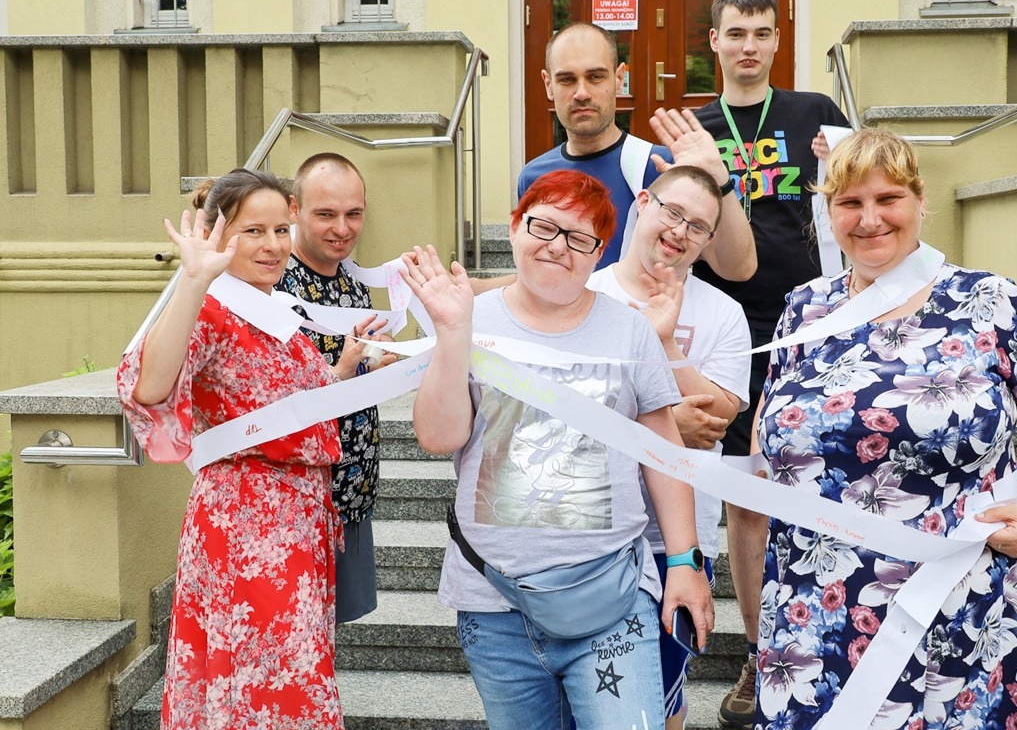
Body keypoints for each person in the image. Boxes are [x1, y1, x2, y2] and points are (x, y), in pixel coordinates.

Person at [752, 128, 1017, 729]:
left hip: (952, 601)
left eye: (887, 199)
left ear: (918, 201)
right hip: (813, 603)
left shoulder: (992, 302)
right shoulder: (804, 309)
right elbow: (773, 425)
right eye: (850, 203)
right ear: (827, 211)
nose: (869, 219)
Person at [401, 169, 715, 730]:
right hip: (494, 601)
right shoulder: (469, 320)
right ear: (516, 229)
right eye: (544, 226)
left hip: (614, 598)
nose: (557, 247)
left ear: (599, 253)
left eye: (580, 238)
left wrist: (684, 561)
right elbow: (438, 437)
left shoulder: (630, 331)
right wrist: (451, 335)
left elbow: (662, 450)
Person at [117, 168, 382, 729]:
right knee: (263, 678)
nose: (273, 246)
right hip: (249, 519)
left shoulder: (272, 308)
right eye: (253, 231)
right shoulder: (212, 307)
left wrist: (346, 365)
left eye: (281, 230)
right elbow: (151, 386)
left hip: (300, 518)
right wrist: (191, 282)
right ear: (217, 235)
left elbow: (292, 406)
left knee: (289, 672)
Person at [689, 0, 850, 728]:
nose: (748, 45)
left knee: (821, 492)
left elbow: (870, 197)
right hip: (725, 331)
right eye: (735, 33)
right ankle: (762, 654)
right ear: (713, 41)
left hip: (808, 328)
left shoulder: (813, 113)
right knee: (745, 503)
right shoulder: (692, 126)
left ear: (777, 39)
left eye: (761, 32)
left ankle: (836, 632)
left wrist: (837, 164)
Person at [588, 165, 751, 730]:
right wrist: (663, 418)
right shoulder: (584, 292)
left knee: (663, 695)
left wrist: (664, 343)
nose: (680, 231)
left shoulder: (722, 314)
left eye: (699, 227)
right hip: (589, 530)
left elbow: (719, 417)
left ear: (709, 242)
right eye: (672, 212)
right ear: (642, 202)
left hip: (677, 540)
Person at [495, 21, 755, 280]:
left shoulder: (662, 167)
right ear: (548, 85)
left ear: (619, 79)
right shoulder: (533, 177)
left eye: (596, 77)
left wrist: (719, 178)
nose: (582, 93)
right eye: (567, 79)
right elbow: (531, 278)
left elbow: (736, 268)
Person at [276, 152, 398, 624]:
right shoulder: (272, 281)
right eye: (325, 214)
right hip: (296, 497)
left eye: (354, 214)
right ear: (294, 209)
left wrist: (381, 364)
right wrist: (343, 371)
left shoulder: (353, 280)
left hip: (351, 489)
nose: (342, 229)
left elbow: (353, 377)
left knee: (324, 631)